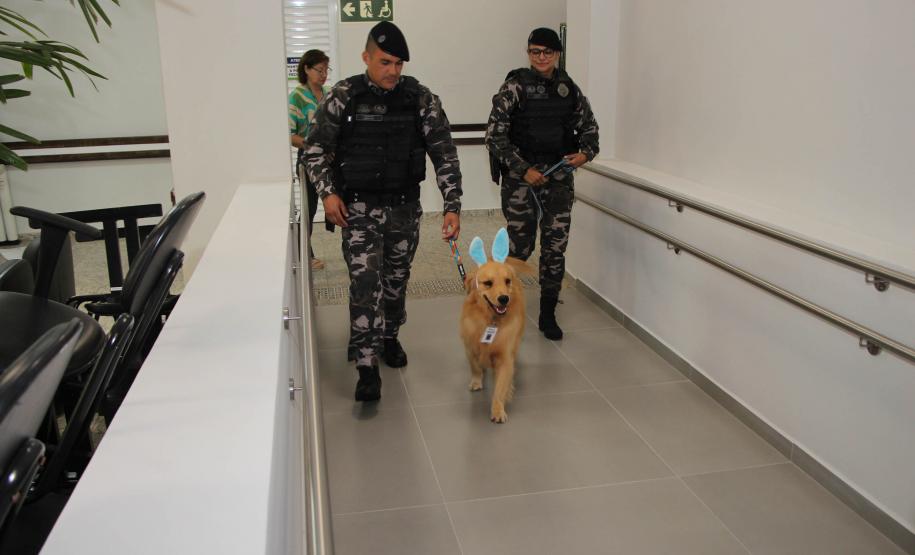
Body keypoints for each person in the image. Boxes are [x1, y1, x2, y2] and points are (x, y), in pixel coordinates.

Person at [304, 21, 462, 402]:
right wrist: (327, 194)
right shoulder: (344, 96)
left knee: (395, 281)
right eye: (385, 61)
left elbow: (443, 151)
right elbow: (313, 150)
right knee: (364, 284)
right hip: (357, 210)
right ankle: (366, 364)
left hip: (404, 209)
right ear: (366, 58)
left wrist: (452, 205)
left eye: (399, 64)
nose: (393, 70)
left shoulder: (419, 98)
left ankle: (389, 336)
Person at [485, 27, 600, 341]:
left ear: (557, 54)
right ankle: (506, 307)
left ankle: (547, 313)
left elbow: (589, 129)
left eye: (547, 52)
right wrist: (523, 170)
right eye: (535, 51)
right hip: (521, 181)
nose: (541, 57)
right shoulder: (514, 86)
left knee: (555, 248)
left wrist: (584, 154)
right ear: (528, 52)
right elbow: (494, 136)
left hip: (559, 178)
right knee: (519, 250)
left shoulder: (569, 89)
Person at [289, 49, 331, 270]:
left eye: (326, 70)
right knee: (309, 210)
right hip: (308, 162)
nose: (324, 74)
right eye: (319, 69)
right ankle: (305, 255)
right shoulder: (297, 96)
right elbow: (290, 134)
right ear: (306, 69)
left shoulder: (329, 94)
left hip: (331, 160)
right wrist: (311, 146)